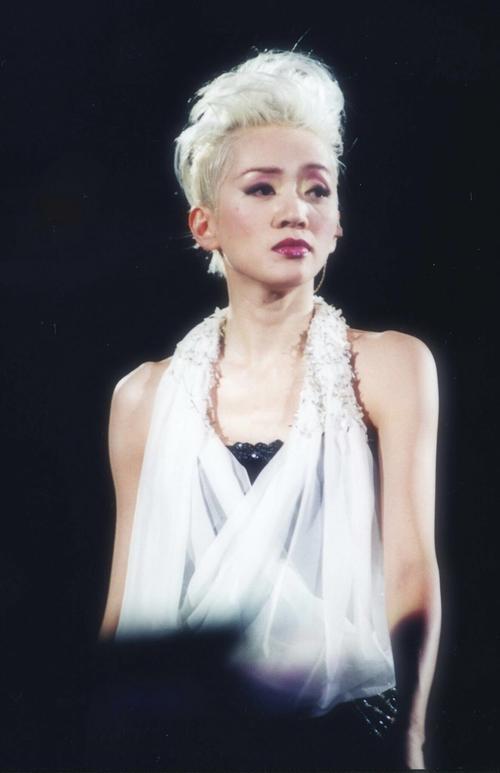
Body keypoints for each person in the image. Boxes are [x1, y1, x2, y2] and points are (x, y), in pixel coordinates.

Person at [98, 50, 441, 769]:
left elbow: (411, 572)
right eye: (261, 188)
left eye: (317, 190)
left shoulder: (390, 365)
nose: (295, 210)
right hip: (191, 742)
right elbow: (126, 608)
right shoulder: (142, 398)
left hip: (347, 733)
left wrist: (409, 740)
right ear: (205, 225)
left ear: (337, 223)